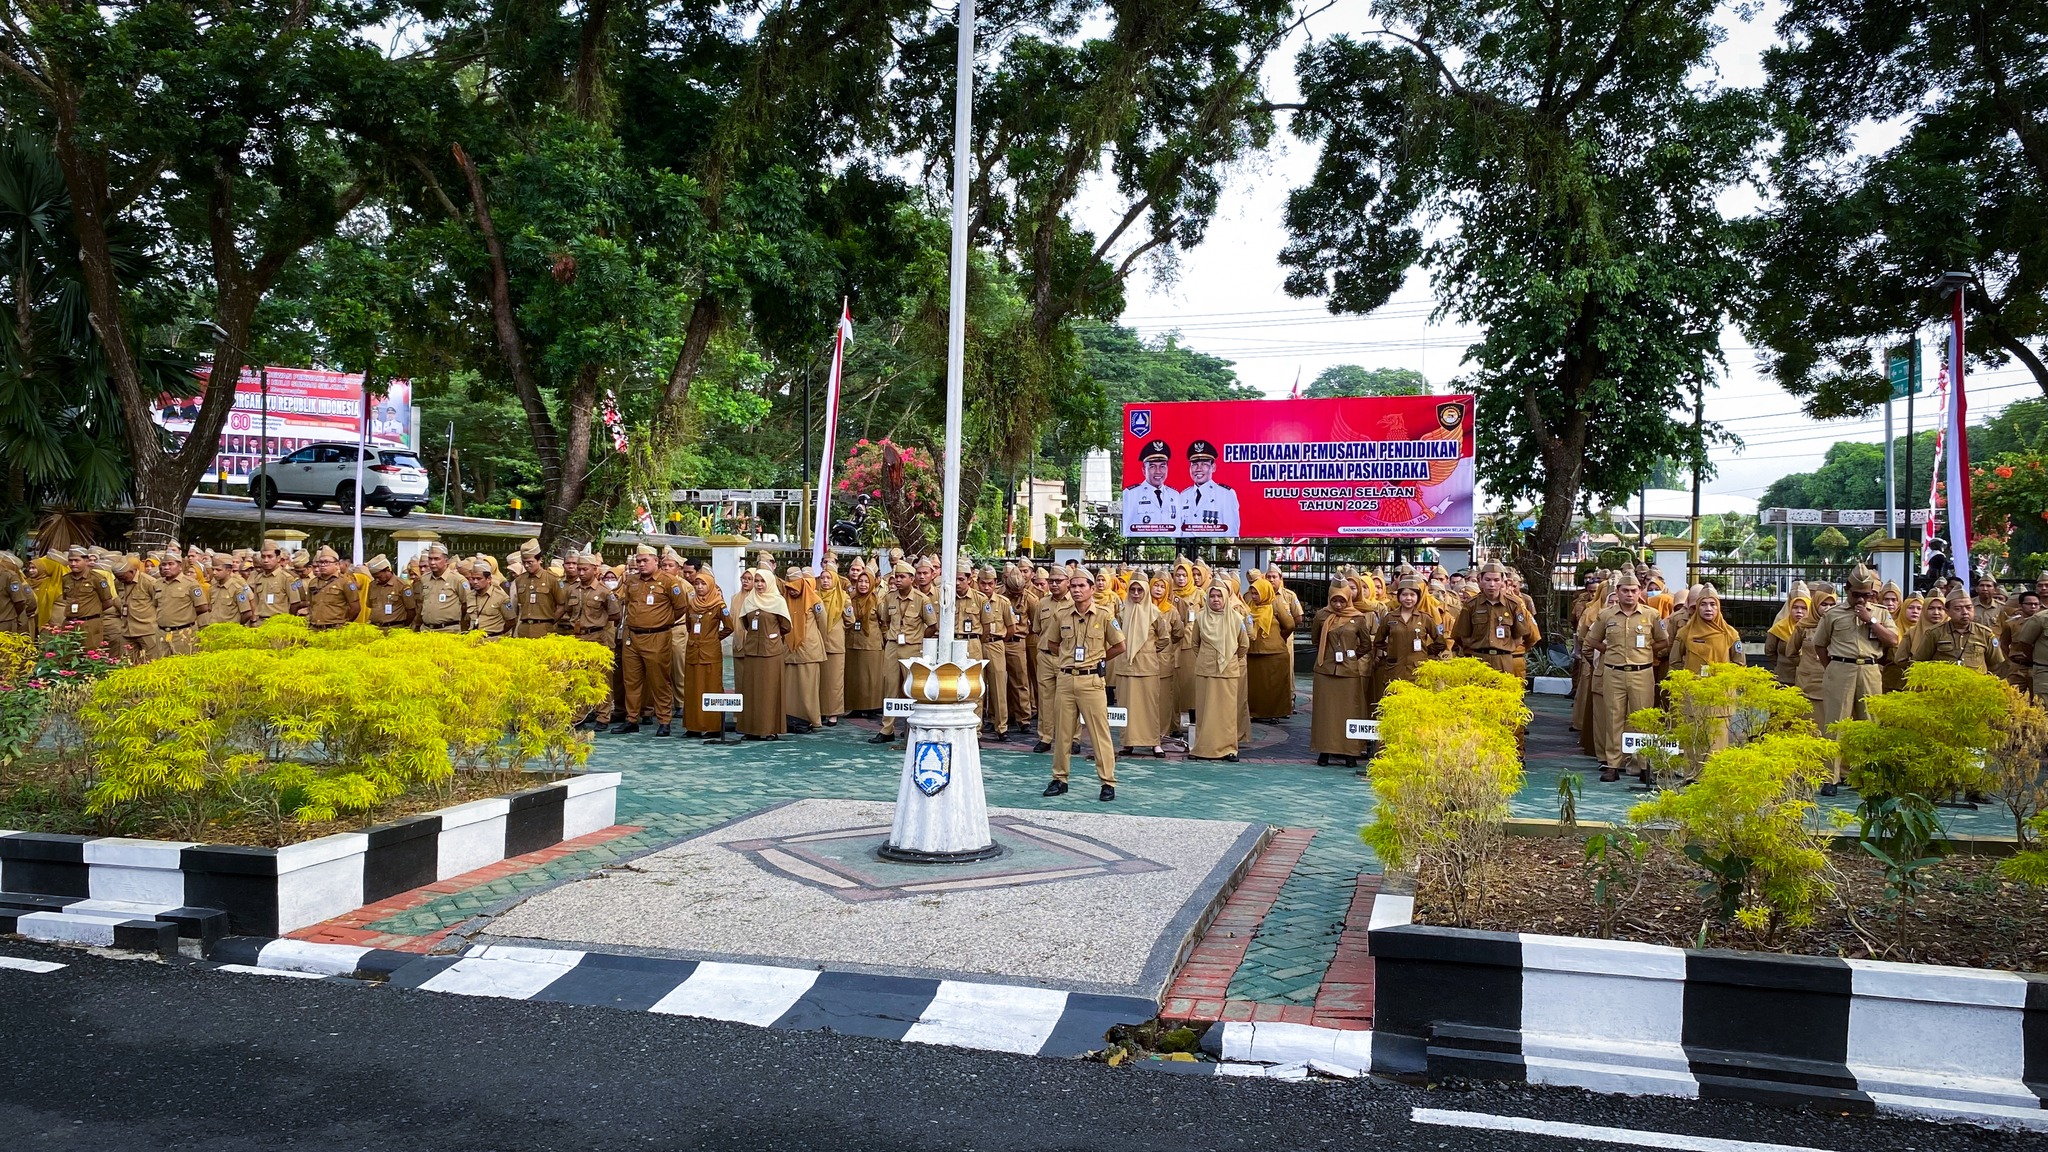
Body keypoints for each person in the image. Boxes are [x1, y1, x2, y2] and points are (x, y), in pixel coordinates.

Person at [1813, 565, 1900, 794]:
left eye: (1866, 594)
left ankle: (1867, 776)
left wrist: (1870, 620)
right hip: (1841, 668)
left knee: (1870, 724)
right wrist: (1832, 668)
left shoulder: (1880, 613)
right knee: (1835, 724)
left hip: (1870, 670)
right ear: (1847, 590)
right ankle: (1830, 778)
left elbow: (1893, 640)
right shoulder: (1833, 614)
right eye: (1856, 594)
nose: (1861, 599)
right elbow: (1820, 645)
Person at [1042, 567, 1125, 801]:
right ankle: (1060, 778)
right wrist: (1068, 659)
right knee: (1063, 733)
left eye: (1082, 586)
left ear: (1091, 588)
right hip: (1066, 679)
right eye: (1074, 586)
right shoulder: (1061, 615)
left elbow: (1120, 645)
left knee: (1100, 734)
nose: (1077, 590)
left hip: (1091, 680)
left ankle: (1107, 781)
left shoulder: (1105, 615)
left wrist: (1099, 659)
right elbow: (1053, 643)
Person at [1587, 573, 1666, 783]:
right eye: (1625, 591)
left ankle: (1643, 766)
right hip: (1614, 672)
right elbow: (1592, 640)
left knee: (1642, 719)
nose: (1630, 594)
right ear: (1618, 592)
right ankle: (1613, 765)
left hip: (1642, 672)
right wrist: (1610, 650)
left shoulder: (1651, 615)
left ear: (1639, 591)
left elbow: (1662, 641)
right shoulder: (1606, 615)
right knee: (1614, 719)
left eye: (1633, 591)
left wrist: (1647, 652)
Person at [615, 544, 689, 735]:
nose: (641, 564)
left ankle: (664, 720)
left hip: (657, 636)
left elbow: (680, 607)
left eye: (645, 560)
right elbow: (626, 604)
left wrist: (665, 621)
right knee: (631, 680)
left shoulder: (669, 582)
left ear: (656, 561)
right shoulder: (631, 581)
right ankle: (631, 719)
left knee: (659, 680)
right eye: (638, 561)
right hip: (632, 637)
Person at [1310, 583, 1372, 767]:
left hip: (1348, 672)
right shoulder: (1322, 616)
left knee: (1349, 711)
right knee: (1325, 712)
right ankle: (1324, 750)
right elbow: (1315, 639)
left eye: (1342, 600)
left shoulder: (1358, 618)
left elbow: (1366, 644)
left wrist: (1352, 656)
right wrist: (1327, 654)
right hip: (1325, 670)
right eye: (1334, 600)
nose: (1338, 605)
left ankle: (1350, 752)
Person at [872, 566, 934, 745]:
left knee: (912, 689)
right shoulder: (889, 597)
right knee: (890, 686)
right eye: (895, 577)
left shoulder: (922, 600)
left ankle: (912, 727)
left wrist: (920, 640)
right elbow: (884, 619)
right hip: (893, 645)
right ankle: (887, 728)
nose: (897, 580)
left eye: (902, 577)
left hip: (912, 647)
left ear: (911, 579)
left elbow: (932, 625)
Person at [1113, 575, 1173, 757]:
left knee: (1150, 707)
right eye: (1132, 590)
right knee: (1126, 706)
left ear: (1146, 591)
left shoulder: (1155, 613)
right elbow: (1115, 636)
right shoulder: (1121, 613)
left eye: (1140, 590)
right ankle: (1128, 743)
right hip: (1126, 666)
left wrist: (1149, 651)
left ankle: (1154, 743)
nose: (1136, 594)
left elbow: (1164, 639)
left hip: (1147, 667)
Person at [1188, 583, 1248, 761]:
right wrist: (1207, 658)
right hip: (1206, 670)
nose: (1215, 600)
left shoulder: (1237, 619)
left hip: (1227, 671)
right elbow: (1195, 644)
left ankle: (1228, 749)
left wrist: (1229, 660)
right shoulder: (1200, 618)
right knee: (1205, 710)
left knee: (1226, 712)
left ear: (1225, 598)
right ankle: (1202, 748)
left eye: (1219, 596)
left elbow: (1243, 645)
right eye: (1212, 596)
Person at [563, 552, 622, 728]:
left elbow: (615, 614)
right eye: (579, 569)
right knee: (579, 678)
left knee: (601, 678)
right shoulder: (572, 590)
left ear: (595, 569)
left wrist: (601, 626)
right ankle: (579, 716)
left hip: (598, 637)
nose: (580, 573)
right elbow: (567, 610)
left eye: (584, 569)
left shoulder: (604, 591)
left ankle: (603, 716)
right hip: (577, 637)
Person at [732, 568, 791, 740]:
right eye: (756, 581)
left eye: (762, 581)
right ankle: (750, 729)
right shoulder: (749, 601)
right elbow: (745, 622)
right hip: (751, 651)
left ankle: (768, 729)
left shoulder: (778, 602)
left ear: (770, 583)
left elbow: (786, 626)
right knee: (750, 690)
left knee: (769, 691)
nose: (759, 584)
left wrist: (771, 635)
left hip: (771, 652)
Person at [1454, 561, 1538, 675]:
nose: (1492, 584)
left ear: (1503, 582)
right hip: (1478, 660)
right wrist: (1476, 646)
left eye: (1496, 580)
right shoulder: (1470, 605)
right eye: (1487, 580)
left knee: (1505, 692)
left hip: (1504, 661)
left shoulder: (1514, 605)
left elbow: (1520, 637)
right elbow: (1462, 637)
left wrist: (1506, 647)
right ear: (1480, 581)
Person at [679, 569, 731, 737]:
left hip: (710, 653)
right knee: (693, 688)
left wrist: (714, 638)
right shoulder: (692, 604)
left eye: (703, 584)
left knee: (711, 687)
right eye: (697, 584)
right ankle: (693, 726)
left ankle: (712, 726)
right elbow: (688, 625)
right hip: (693, 651)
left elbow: (729, 627)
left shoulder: (718, 605)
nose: (699, 587)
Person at [1911, 588, 2004, 674]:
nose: (1965, 612)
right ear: (1947, 612)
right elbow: (1920, 662)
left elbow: (1995, 665)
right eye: (1958, 609)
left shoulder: (1985, 634)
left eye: (1969, 607)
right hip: (1943, 687)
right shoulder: (1934, 633)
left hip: (1976, 688)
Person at [1244, 573, 1296, 720]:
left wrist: (1278, 638)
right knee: (1256, 687)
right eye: (1253, 593)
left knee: (1274, 686)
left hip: (1274, 653)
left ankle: (1274, 713)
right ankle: (1255, 712)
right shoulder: (1249, 606)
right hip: (1253, 652)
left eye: (1257, 593)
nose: (1254, 596)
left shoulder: (1275, 605)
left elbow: (1290, 625)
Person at [781, 566, 825, 734]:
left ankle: (812, 720)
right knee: (790, 688)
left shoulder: (814, 600)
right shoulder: (783, 600)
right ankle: (791, 718)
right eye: (788, 587)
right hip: (789, 650)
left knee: (808, 689)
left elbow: (823, 623)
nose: (791, 591)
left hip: (809, 650)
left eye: (795, 587)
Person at [1669, 586, 1743, 673]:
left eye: (1712, 604)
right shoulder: (1685, 633)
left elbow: (1739, 664)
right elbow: (1674, 663)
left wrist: (1724, 677)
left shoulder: (1730, 634)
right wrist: (1689, 676)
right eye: (1703, 604)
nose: (1708, 609)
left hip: (1720, 685)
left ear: (1718, 607)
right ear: (1697, 607)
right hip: (1693, 685)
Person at [843, 570, 886, 718]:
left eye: (866, 582)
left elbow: (884, 621)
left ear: (872, 583)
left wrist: (885, 639)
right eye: (860, 581)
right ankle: (855, 706)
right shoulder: (850, 598)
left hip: (871, 643)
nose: (863, 585)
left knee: (871, 677)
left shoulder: (877, 600)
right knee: (854, 676)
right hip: (852, 642)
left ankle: (872, 707)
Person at [1176, 439, 1239, 535]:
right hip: (1187, 548)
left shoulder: (1226, 494)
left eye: (1204, 464)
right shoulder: (1183, 495)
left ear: (1213, 467)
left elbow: (1231, 532)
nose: (1198, 469)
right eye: (1195, 464)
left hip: (1211, 547)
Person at [154, 552, 208, 656]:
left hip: (183, 632)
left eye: (171, 564)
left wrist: (185, 615)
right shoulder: (158, 584)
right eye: (164, 565)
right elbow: (156, 605)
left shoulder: (190, 583)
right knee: (161, 667)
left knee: (184, 665)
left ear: (180, 566)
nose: (166, 567)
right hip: (162, 633)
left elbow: (202, 607)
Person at [1122, 438, 1180, 534]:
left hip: (1171, 545)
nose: (1158, 471)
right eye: (1152, 466)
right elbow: (1127, 529)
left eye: (1162, 466)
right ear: (1144, 470)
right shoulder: (1131, 494)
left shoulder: (1175, 495)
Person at [412, 543, 472, 633]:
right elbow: (422, 604)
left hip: (448, 630)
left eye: (436, 559)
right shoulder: (424, 579)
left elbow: (467, 604)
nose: (432, 562)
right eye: (430, 559)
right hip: (426, 630)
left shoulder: (457, 580)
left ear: (446, 560)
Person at [511, 539, 565, 638]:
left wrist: (551, 621)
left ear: (539, 560)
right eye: (524, 562)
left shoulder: (552, 579)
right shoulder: (520, 580)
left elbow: (562, 605)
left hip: (544, 628)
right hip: (524, 629)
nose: (526, 566)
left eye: (530, 562)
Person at [818, 566, 849, 726]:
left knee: (835, 682)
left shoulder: (843, 597)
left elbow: (850, 620)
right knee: (820, 681)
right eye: (822, 578)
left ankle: (833, 714)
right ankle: (820, 711)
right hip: (818, 644)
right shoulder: (815, 597)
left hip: (835, 645)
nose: (825, 581)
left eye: (828, 578)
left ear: (835, 580)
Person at [1764, 586, 1811, 685]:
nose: (1799, 611)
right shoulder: (1779, 627)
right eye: (1795, 607)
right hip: (1784, 678)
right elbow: (1770, 651)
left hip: (1808, 680)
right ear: (1789, 608)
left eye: (1803, 608)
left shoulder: (1815, 628)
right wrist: (1782, 664)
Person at [303, 547, 357, 631]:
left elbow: (355, 608)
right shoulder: (313, 582)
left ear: (336, 564)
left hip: (335, 629)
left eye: (327, 562)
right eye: (320, 562)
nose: (323, 565)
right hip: (314, 628)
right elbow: (310, 604)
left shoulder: (345, 582)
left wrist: (344, 623)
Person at [363, 555, 415, 629]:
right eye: (374, 577)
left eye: (379, 577)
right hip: (374, 628)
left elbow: (411, 610)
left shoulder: (402, 586)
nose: (377, 580)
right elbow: (370, 606)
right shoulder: (372, 585)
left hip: (394, 628)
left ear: (387, 570)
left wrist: (404, 626)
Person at [467, 558, 512, 637]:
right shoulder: (470, 595)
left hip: (493, 640)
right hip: (473, 639)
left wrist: (497, 633)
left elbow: (511, 621)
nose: (475, 582)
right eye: (473, 578)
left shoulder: (501, 597)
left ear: (489, 579)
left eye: (479, 579)